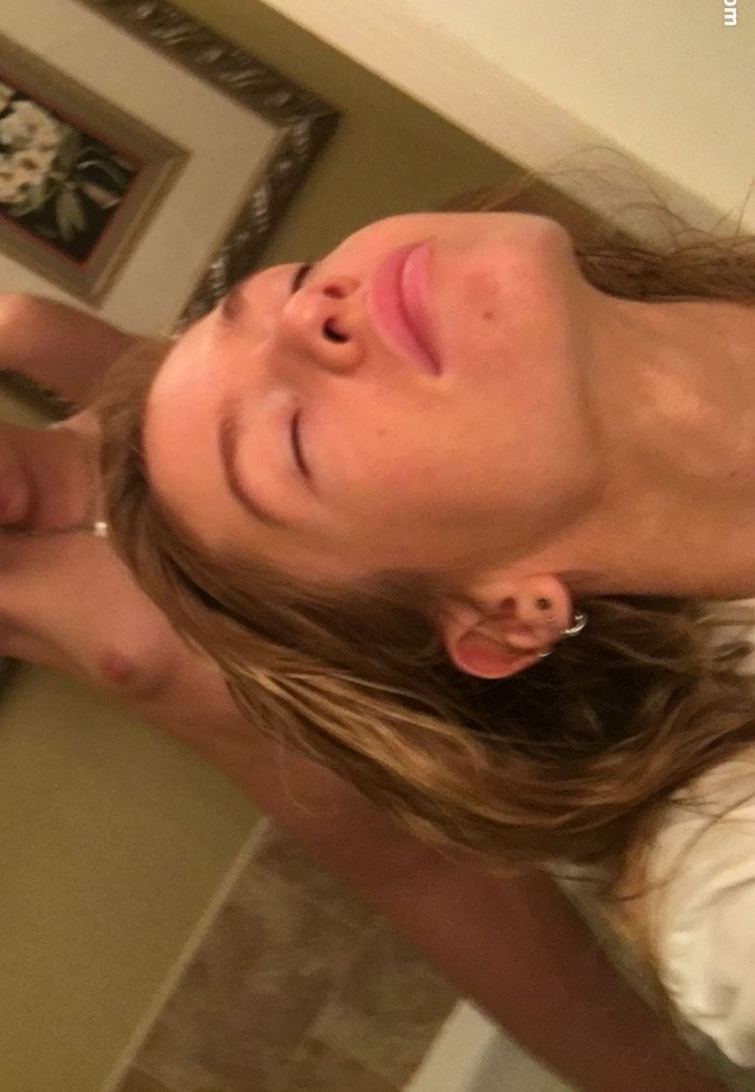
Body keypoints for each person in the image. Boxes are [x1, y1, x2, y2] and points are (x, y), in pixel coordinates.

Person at [0, 292, 726, 1091]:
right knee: (632, 1071)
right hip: (401, 839)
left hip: (504, 688)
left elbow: (15, 324)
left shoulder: (134, 415)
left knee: (727, 844)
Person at [96, 178, 755, 1066]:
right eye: (288, 442)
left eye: (291, 283)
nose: (310, 316)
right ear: (502, 618)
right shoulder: (732, 889)